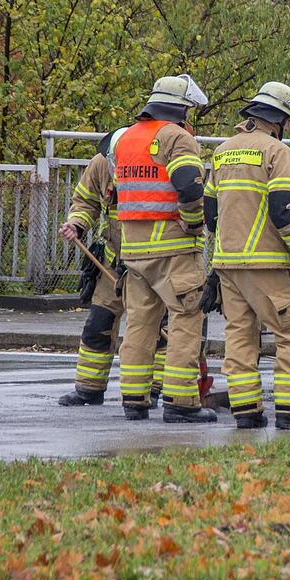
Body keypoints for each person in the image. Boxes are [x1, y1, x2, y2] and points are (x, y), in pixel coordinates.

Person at [205, 82, 290, 430]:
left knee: (239, 337)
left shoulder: (222, 152)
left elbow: (210, 215)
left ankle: (246, 412)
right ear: (280, 119)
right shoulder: (276, 152)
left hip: (228, 265)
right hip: (268, 265)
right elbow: (286, 210)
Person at [110, 74, 214, 422]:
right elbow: (189, 186)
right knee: (186, 319)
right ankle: (181, 403)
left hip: (134, 250)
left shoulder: (126, 139)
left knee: (140, 323)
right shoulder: (176, 137)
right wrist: (194, 222)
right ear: (181, 108)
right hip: (173, 249)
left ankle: (134, 399)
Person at [56, 142, 168, 408]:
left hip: (150, 265)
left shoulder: (158, 163)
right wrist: (77, 225)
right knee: (98, 325)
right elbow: (85, 201)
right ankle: (88, 389)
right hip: (111, 264)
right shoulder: (100, 164)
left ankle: (152, 390)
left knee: (155, 329)